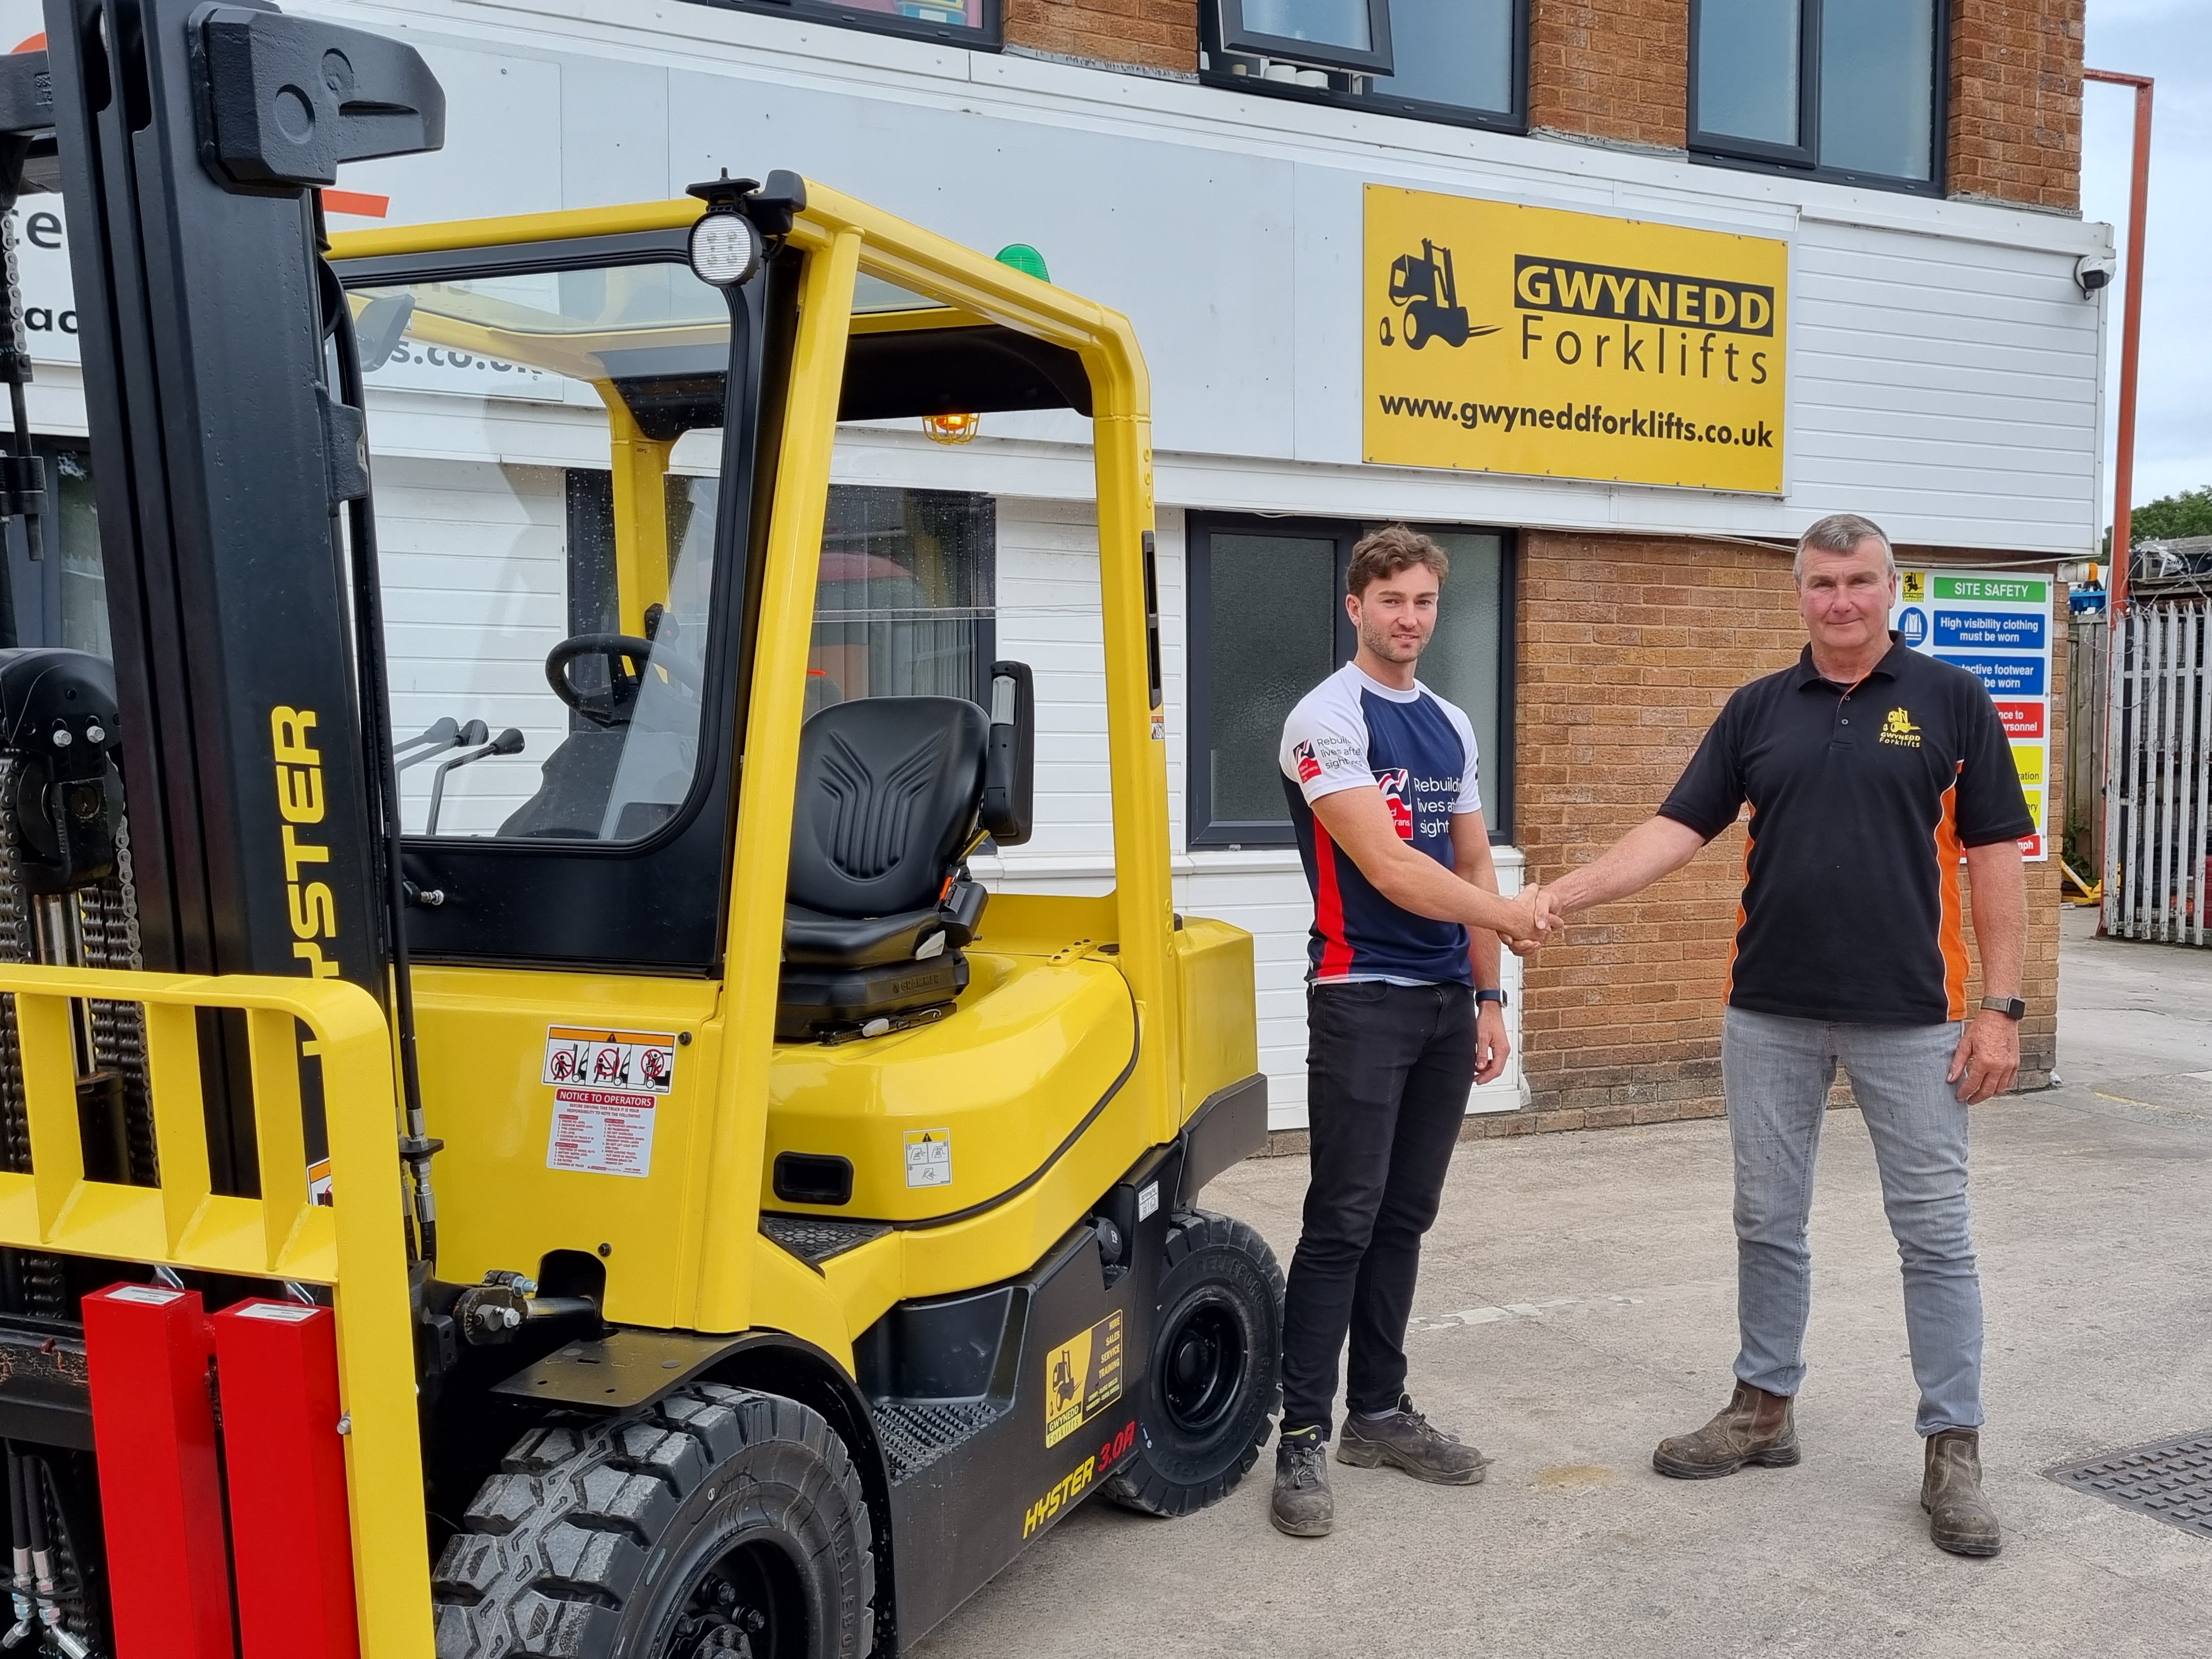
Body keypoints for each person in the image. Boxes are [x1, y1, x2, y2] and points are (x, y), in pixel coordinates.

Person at [1537, 512, 2030, 1558]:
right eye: (1819, 584)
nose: (1839, 601)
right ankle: (1764, 1409)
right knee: (1766, 1217)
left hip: (1914, 1017)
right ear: (1798, 592)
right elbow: (1677, 827)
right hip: (1767, 1010)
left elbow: (1994, 856)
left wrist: (2002, 1006)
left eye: (1858, 581)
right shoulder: (1759, 708)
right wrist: (1565, 895)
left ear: (1892, 587)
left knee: (1935, 1236)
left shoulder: (1953, 701)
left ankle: (1955, 1447)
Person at [1269, 524, 1548, 1539]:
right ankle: (1301, 1433)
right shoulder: (1324, 719)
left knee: (1404, 1218)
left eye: (1425, 602)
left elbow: (1473, 865)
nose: (1409, 619)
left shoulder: (1450, 724)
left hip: (1440, 1002)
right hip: (1360, 993)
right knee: (1342, 1217)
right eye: (1392, 600)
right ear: (1356, 607)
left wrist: (1488, 997)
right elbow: (1388, 867)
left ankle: (1377, 1414)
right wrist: (1511, 920)